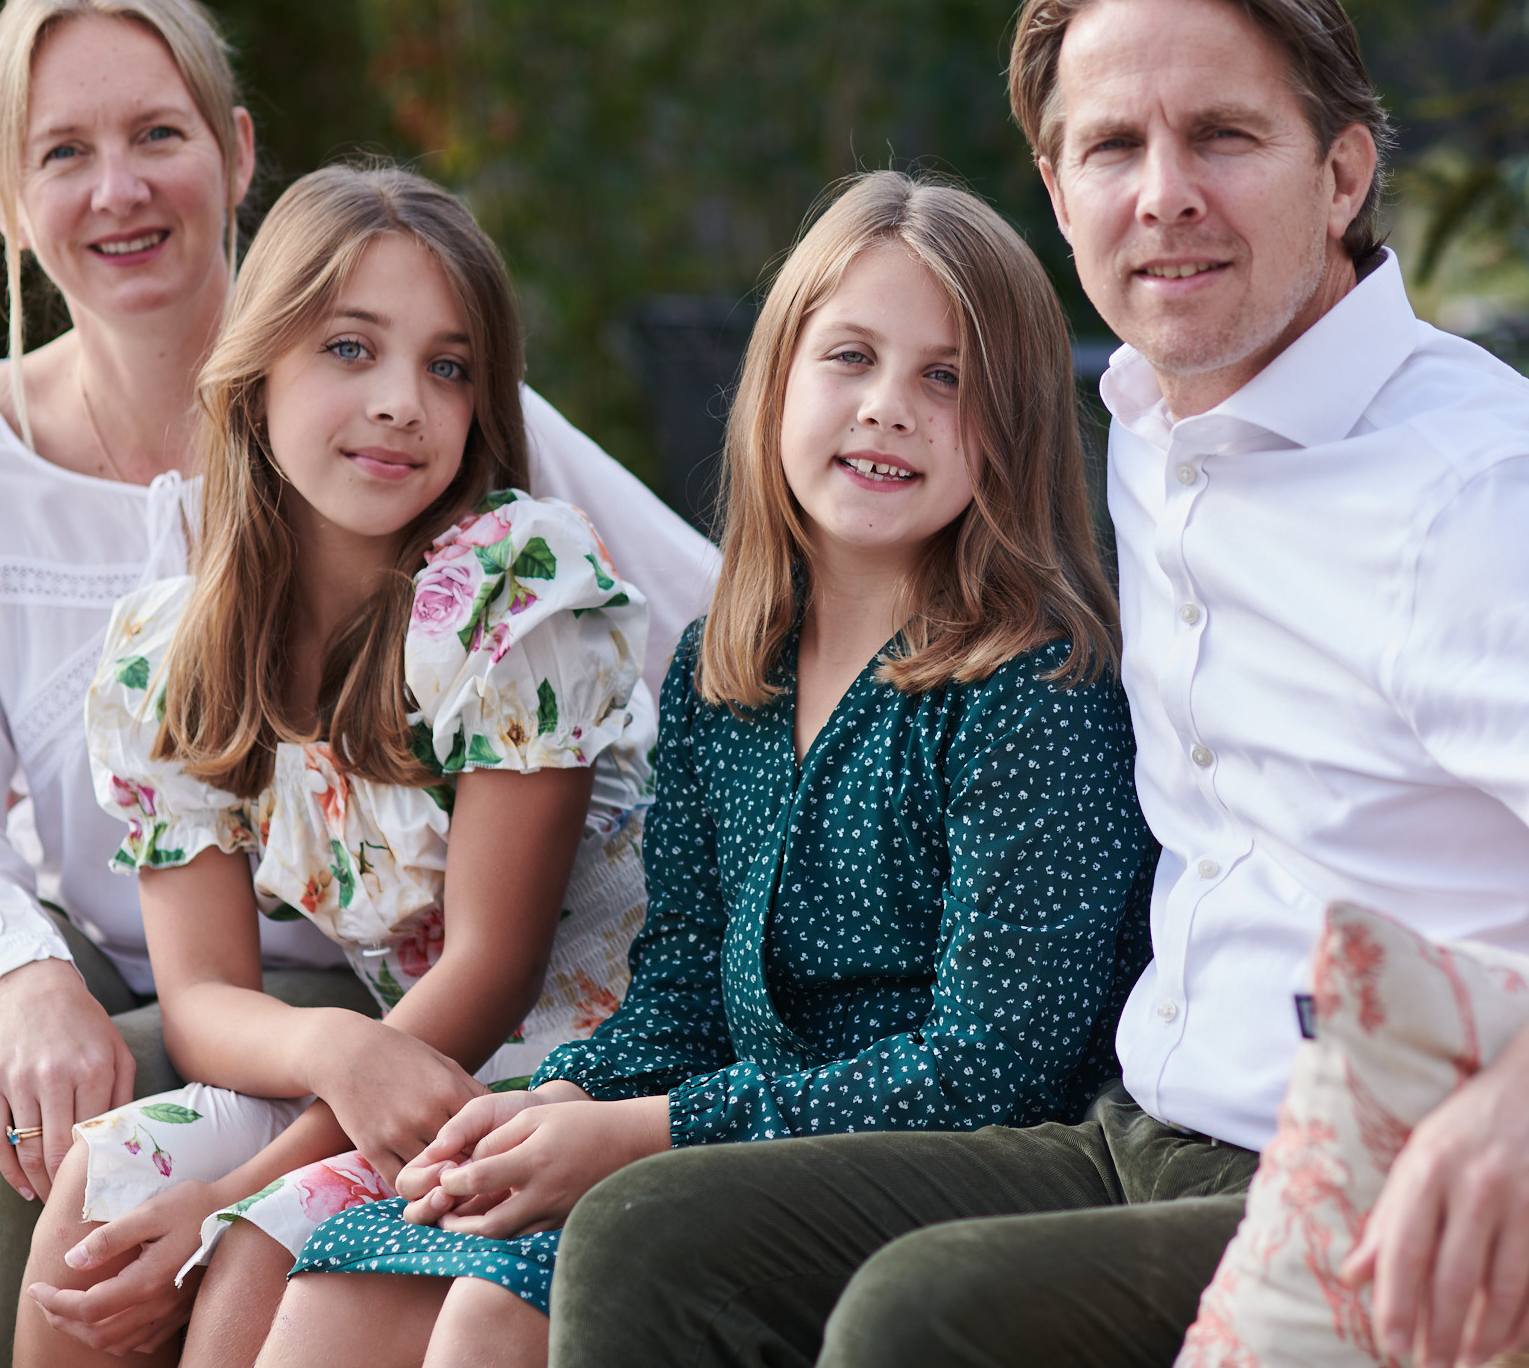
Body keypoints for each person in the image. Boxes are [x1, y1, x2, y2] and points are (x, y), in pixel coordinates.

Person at [546, 0, 1529, 1368]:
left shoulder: (1485, 493)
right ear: (1055, 185)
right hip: (1134, 1122)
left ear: (1343, 168)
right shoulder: (1157, 432)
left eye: (1221, 135)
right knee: (647, 1234)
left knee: (927, 1317)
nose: (1164, 197)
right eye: (1111, 148)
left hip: (1352, 1157)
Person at [0, 0, 716, 1368]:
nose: (118, 188)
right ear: (1, 194)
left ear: (233, 153)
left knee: (49, 1171)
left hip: (362, 992)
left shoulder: (414, 415)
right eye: (64, 151)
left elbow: (707, 600)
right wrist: (27, 980)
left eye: (157, 133)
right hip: (92, 945)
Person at [239, 171, 1157, 1368]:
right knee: (342, 1283)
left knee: (495, 1312)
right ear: (776, 380)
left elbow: (994, 1065)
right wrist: (560, 1100)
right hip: (722, 1133)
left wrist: (645, 1129)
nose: (888, 407)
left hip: (943, 1168)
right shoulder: (733, 679)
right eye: (850, 357)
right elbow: (679, 993)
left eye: (946, 377)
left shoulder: (1034, 692)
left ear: (1016, 425)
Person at [11, 161, 658, 1368]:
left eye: (446, 365)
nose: (402, 400)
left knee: (257, 1240)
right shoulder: (172, 657)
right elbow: (201, 998)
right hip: (389, 1068)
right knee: (103, 1182)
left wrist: (244, 1183)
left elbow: (495, 969)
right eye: (350, 349)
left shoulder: (504, 593)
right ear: (256, 374)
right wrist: (332, 1048)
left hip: (585, 1070)